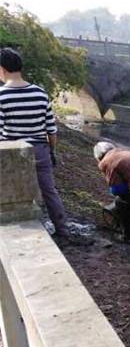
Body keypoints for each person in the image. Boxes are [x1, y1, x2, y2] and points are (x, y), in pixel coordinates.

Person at [0, 48, 69, 237]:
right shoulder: (40, 93)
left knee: (11, 192)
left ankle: (19, 229)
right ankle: (62, 229)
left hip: (12, 152)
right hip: (40, 150)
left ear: (2, 69)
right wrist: (51, 152)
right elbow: (51, 130)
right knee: (49, 191)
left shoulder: (2, 96)